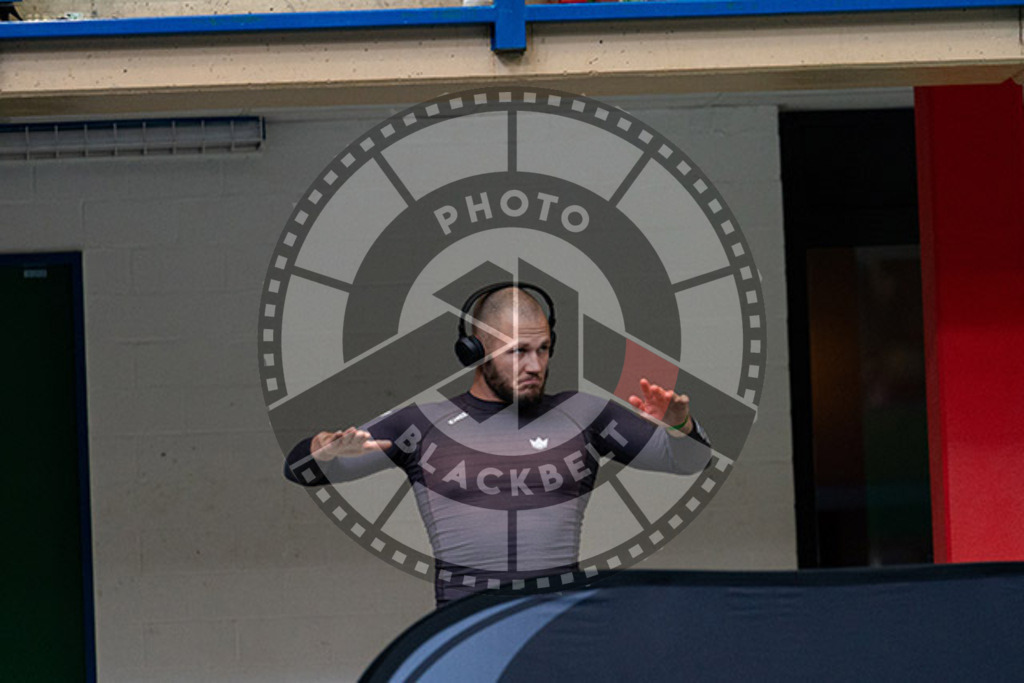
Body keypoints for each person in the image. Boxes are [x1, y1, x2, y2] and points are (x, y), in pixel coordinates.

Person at [284, 284, 712, 606]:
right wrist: (323, 449)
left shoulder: (584, 414)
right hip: (463, 630)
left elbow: (689, 461)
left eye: (544, 349)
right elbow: (301, 470)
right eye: (518, 351)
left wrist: (680, 425)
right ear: (475, 352)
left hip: (559, 626)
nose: (535, 365)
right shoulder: (421, 425)